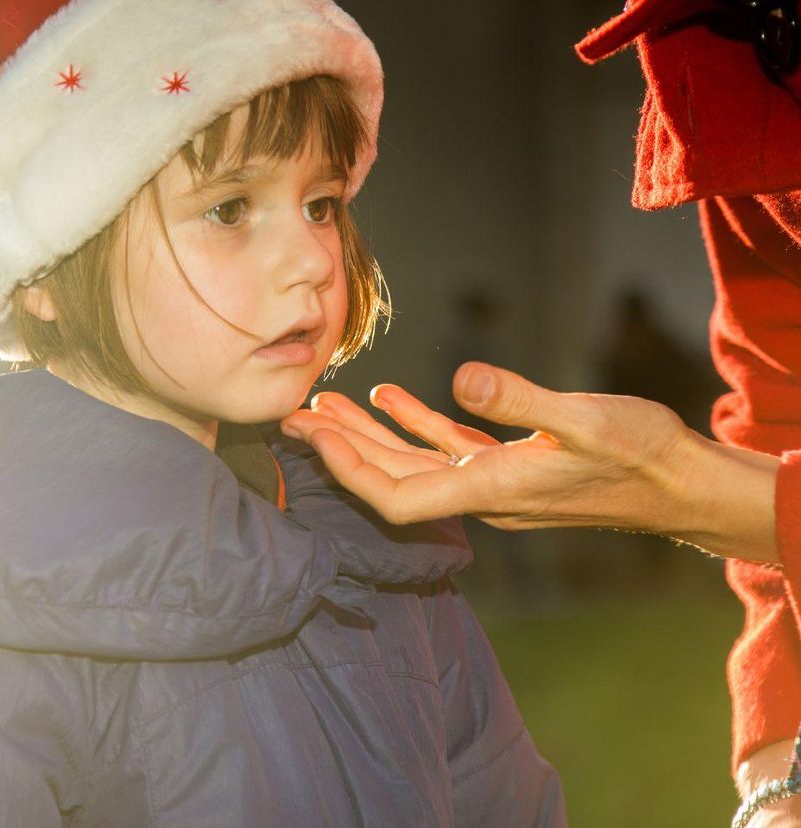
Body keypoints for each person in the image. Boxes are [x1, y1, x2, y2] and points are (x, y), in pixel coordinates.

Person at [0, 1, 567, 825]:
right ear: (45, 270)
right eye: (230, 209)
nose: (313, 259)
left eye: (321, 203)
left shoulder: (381, 559)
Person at [282, 1, 801, 824]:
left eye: (321, 207)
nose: (304, 263)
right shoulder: (723, 30)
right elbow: (783, 390)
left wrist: (682, 488)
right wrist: (782, 764)